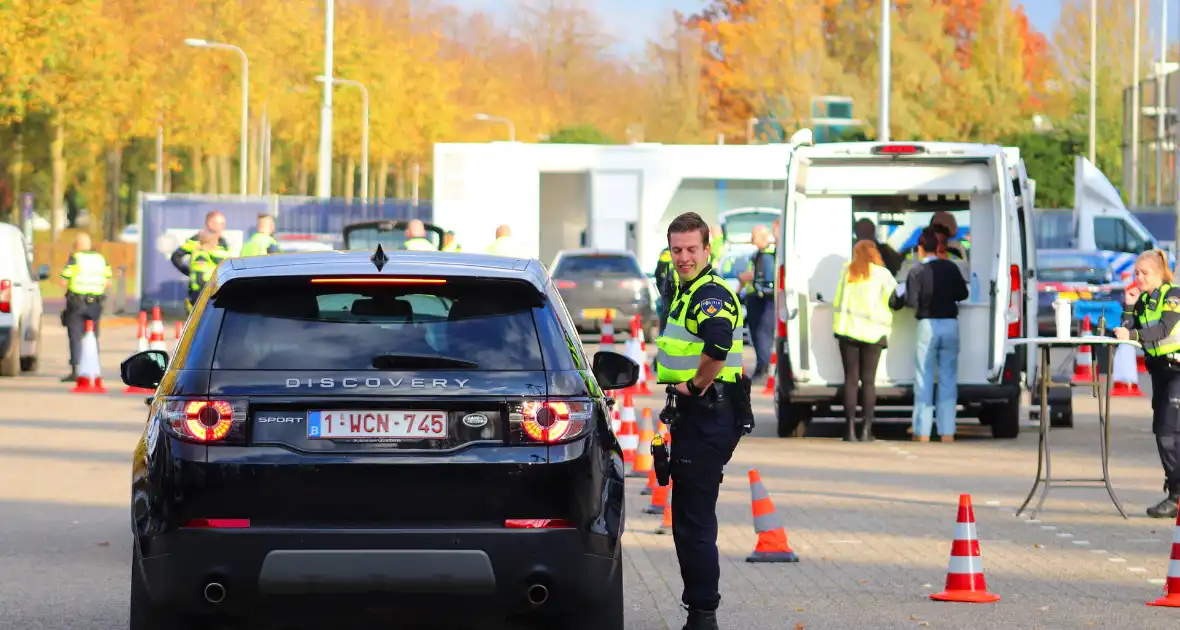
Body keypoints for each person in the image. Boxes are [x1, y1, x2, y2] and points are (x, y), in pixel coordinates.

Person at [655, 212, 752, 630]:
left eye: (692, 249)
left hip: (708, 414)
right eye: (677, 250)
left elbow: (717, 343)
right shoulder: (686, 289)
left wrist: (693, 387)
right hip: (700, 416)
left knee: (693, 522)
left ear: (707, 249)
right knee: (691, 518)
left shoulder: (709, 293)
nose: (683, 257)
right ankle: (700, 610)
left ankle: (703, 616)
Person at [1113, 249, 1180, 519]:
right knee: (1162, 432)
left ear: (1159, 274)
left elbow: (1163, 329)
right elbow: (1128, 330)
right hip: (1159, 372)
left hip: (1177, 370)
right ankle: (1175, 491)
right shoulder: (1143, 300)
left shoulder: (1173, 295)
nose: (1139, 278)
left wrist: (1131, 332)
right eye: (1136, 273)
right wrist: (1129, 306)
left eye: (1145, 273)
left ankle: (1176, 495)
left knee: (1168, 433)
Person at [890, 227, 968, 443]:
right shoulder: (951, 268)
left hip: (927, 324)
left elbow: (911, 301)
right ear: (940, 247)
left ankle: (922, 431)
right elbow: (963, 293)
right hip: (950, 324)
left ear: (920, 248)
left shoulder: (916, 271)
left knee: (923, 378)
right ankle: (947, 432)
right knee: (948, 379)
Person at [832, 240, 897, 441]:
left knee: (851, 380)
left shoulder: (847, 272)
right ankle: (866, 430)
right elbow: (895, 299)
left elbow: (838, 300)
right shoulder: (883, 274)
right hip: (874, 333)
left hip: (848, 331)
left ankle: (849, 430)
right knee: (868, 381)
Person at [58, 232, 112, 382]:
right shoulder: (101, 259)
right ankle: (92, 368)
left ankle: (76, 369)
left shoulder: (75, 259)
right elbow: (108, 282)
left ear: (77, 246)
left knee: (75, 335)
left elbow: (63, 280)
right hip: (96, 303)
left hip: (77, 303)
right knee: (93, 336)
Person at [737, 224, 776, 380]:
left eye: (754, 235)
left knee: (762, 334)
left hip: (765, 299)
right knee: (756, 335)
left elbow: (764, 277)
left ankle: (763, 368)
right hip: (754, 298)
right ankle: (761, 365)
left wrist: (748, 277)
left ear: (763, 236)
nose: (751, 239)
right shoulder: (757, 254)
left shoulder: (769, 254)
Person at [171, 210, 229, 276]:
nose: (223, 227)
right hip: (198, 286)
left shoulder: (223, 243)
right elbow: (176, 256)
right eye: (220, 223)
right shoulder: (197, 240)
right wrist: (189, 273)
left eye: (224, 224)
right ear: (210, 223)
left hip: (217, 285)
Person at [187, 230, 232, 314]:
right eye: (215, 241)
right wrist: (211, 292)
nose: (217, 244)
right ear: (210, 242)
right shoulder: (201, 256)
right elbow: (200, 278)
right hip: (201, 294)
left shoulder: (207, 254)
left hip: (205, 292)